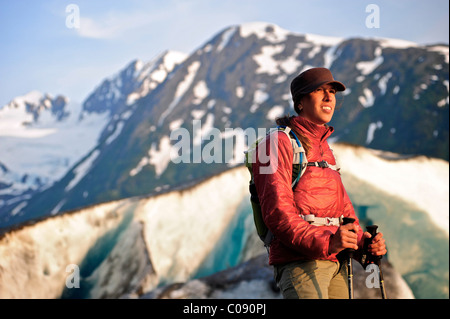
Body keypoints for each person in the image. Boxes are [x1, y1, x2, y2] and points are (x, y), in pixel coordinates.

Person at [252, 67, 387, 299]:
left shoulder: (324, 148)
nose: (329, 97)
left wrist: (364, 247)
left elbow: (344, 213)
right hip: (301, 265)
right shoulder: (276, 144)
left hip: (337, 263)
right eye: (319, 90)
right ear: (300, 102)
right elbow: (277, 214)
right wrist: (328, 242)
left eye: (332, 92)